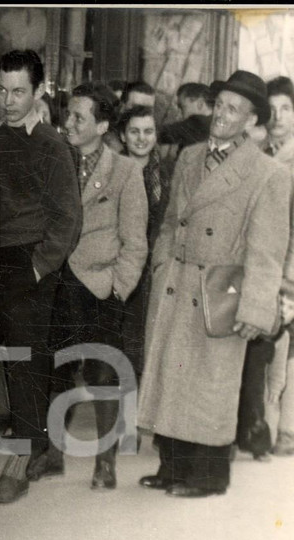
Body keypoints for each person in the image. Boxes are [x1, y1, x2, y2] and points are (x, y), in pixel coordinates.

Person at [138, 70, 290, 498]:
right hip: (178, 280)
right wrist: (163, 263)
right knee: (173, 375)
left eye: (233, 110)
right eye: (219, 105)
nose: (222, 115)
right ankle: (171, 466)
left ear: (251, 121)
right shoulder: (189, 155)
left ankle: (208, 476)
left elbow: (267, 251)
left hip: (221, 291)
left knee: (210, 386)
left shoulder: (268, 174)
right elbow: (170, 222)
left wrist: (256, 309)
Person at [0, 50, 82, 505]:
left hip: (28, 264)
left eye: (19, 90)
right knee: (9, 361)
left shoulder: (53, 145)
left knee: (25, 365)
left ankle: (19, 461)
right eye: (2, 89)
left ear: (39, 92)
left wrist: (39, 267)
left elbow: (67, 221)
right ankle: (39, 444)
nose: (9, 98)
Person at [33, 83, 147, 489]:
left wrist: (118, 288)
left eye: (80, 117)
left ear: (102, 125)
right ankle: (52, 454)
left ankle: (105, 460)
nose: (69, 123)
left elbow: (135, 242)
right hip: (56, 282)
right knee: (54, 371)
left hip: (99, 288)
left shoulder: (126, 171)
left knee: (102, 375)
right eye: (69, 114)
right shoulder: (54, 161)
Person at [118, 105, 173, 378]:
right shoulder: (113, 171)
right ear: (123, 136)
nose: (142, 138)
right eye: (134, 131)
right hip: (121, 268)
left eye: (148, 131)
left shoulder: (166, 175)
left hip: (155, 269)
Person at [263, 76, 294, 457]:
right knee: (273, 342)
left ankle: (286, 427)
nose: (279, 116)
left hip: (290, 263)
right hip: (267, 261)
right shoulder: (262, 153)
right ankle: (267, 424)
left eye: (287, 108)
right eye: (271, 110)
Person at [158, 82, 212, 158]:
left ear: (200, 104)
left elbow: (161, 133)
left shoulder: (199, 123)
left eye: (182, 107)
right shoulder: (213, 122)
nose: (180, 114)